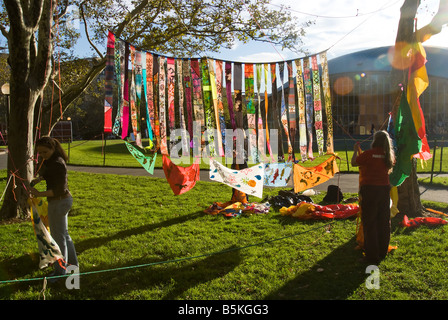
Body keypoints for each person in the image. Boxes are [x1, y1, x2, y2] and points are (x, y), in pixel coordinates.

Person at [29, 136, 78, 280]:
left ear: (53, 148)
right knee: (64, 235)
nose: (43, 155)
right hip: (59, 201)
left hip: (60, 201)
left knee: (58, 239)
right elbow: (47, 172)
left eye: (45, 152)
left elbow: (59, 190)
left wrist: (39, 193)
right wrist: (39, 179)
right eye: (40, 153)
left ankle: (60, 271)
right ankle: (72, 265)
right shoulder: (51, 160)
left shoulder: (57, 163)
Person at [351, 130, 395, 264]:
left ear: (375, 141)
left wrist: (355, 150)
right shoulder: (388, 156)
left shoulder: (368, 155)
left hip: (370, 191)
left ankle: (371, 255)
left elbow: (354, 162)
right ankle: (382, 251)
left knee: (370, 223)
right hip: (383, 191)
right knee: (383, 222)